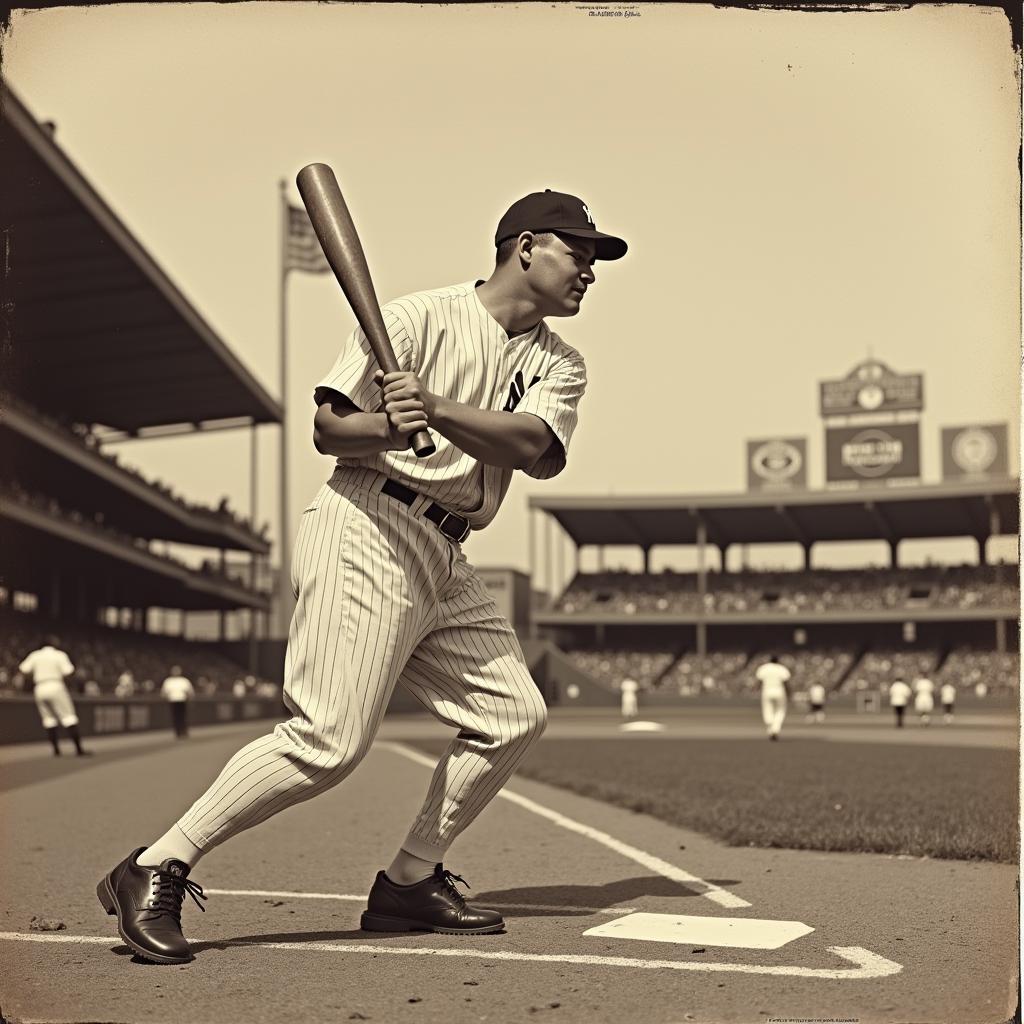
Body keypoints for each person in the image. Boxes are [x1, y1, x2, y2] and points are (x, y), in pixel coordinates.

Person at [96, 188, 627, 965]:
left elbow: (534, 447)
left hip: (447, 549)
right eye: (577, 253)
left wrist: (436, 406)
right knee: (328, 740)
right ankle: (155, 864)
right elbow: (328, 429)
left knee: (514, 713)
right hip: (368, 523)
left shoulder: (561, 361)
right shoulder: (417, 317)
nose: (589, 271)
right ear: (524, 247)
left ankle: (408, 882)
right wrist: (388, 423)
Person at [19, 635, 92, 757]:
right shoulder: (59, 655)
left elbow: (24, 669)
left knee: (48, 719)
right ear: (53, 644)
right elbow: (68, 671)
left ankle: (56, 750)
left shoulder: (35, 655)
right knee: (69, 717)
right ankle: (78, 749)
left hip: (40, 687)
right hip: (55, 685)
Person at [755, 655, 791, 741]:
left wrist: (756, 689)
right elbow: (786, 683)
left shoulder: (763, 668)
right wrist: (789, 693)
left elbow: (759, 682)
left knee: (767, 709)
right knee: (780, 711)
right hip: (779, 691)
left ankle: (770, 723)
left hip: (767, 691)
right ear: (778, 661)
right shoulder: (782, 669)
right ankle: (775, 729)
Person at [161, 666, 195, 739]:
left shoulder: (184, 680)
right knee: (175, 717)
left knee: (183, 717)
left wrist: (189, 698)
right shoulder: (168, 681)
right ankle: (178, 732)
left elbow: (190, 691)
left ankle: (184, 731)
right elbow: (164, 692)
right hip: (173, 701)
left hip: (182, 700)